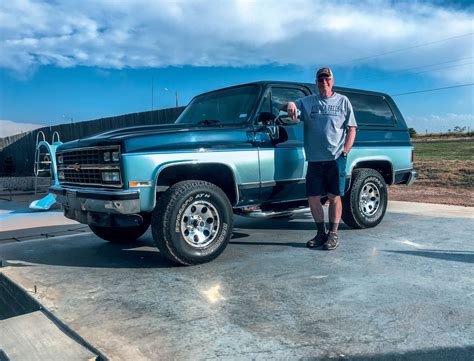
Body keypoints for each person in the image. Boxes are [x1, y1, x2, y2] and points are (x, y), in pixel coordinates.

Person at [285, 67, 357, 250]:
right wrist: (291, 105)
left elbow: (352, 128)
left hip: (336, 158)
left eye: (327, 79)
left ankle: (333, 234)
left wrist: (345, 151)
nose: (324, 82)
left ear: (332, 80)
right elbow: (286, 106)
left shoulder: (343, 101)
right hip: (315, 159)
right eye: (320, 80)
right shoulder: (307, 101)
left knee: (334, 196)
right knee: (313, 197)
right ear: (316, 82)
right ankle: (320, 233)